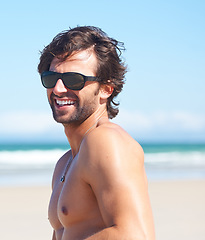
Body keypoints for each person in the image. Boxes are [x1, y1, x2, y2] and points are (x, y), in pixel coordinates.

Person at [38, 26, 155, 239]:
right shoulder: (65, 163)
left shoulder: (106, 142)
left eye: (74, 80)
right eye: (51, 78)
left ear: (106, 89)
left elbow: (135, 235)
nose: (58, 89)